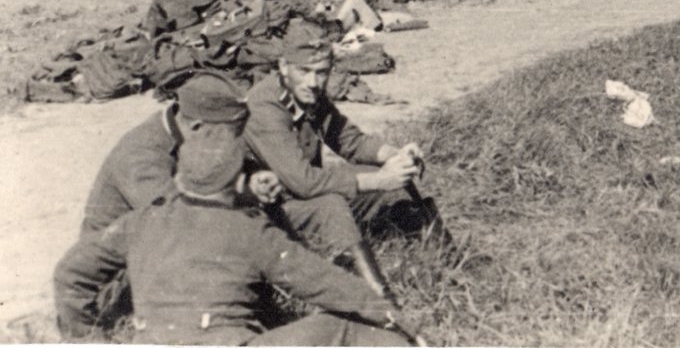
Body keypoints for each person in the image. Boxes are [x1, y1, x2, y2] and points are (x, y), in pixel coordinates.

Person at [54, 106, 425, 346]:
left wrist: (86, 337)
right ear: (235, 182)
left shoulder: (140, 222)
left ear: (181, 175)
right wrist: (393, 317)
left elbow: (70, 274)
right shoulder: (250, 232)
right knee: (346, 331)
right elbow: (324, 284)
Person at [55, 72, 282, 338]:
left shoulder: (191, 133)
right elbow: (185, 223)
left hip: (156, 259)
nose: (234, 143)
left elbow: (214, 170)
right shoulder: (143, 157)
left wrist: (251, 177)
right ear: (197, 127)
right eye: (232, 134)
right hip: (119, 285)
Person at [244, 20, 446, 304]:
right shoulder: (265, 106)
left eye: (322, 72)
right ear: (283, 66)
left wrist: (394, 155)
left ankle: (446, 258)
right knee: (331, 206)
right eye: (304, 71)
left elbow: (350, 141)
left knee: (392, 181)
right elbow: (303, 182)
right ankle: (377, 301)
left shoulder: (307, 94)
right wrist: (378, 180)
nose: (313, 83)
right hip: (264, 213)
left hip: (297, 200)